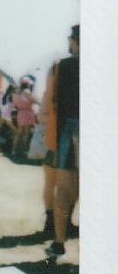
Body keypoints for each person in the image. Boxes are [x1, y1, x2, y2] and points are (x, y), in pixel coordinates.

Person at [45, 24, 80, 260]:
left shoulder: (63, 66)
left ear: (75, 42)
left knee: (64, 190)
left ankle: (58, 243)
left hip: (69, 130)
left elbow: (52, 102)